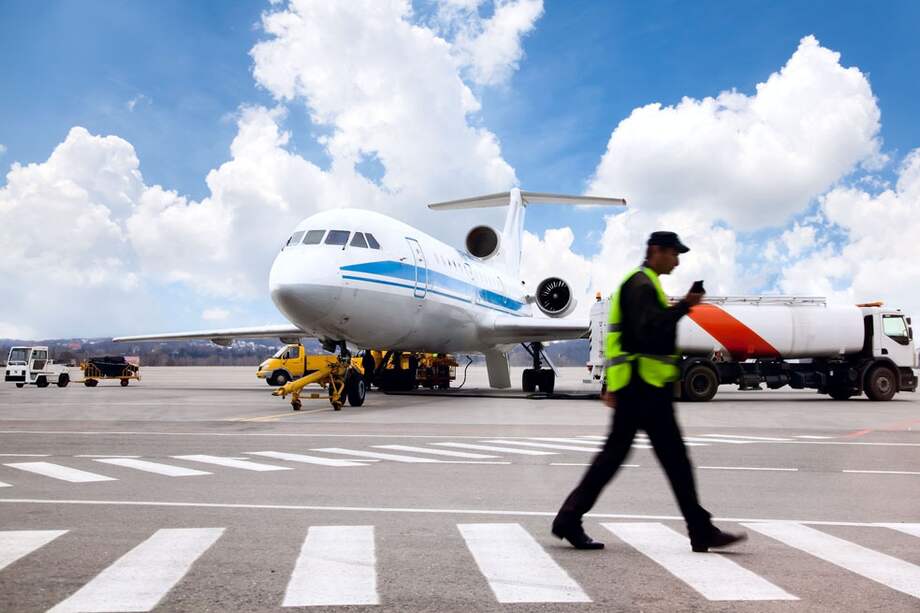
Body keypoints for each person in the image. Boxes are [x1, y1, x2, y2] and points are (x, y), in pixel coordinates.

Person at [552, 231, 747, 553]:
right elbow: (649, 332)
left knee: (625, 458)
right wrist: (685, 305)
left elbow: (637, 335)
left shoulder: (644, 284)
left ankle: (569, 518)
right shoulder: (641, 285)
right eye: (674, 253)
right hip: (643, 388)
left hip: (640, 386)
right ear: (656, 251)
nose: (678, 260)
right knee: (670, 460)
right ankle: (699, 530)